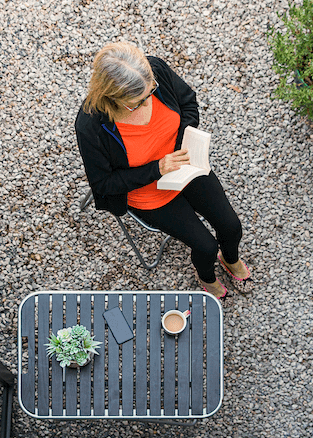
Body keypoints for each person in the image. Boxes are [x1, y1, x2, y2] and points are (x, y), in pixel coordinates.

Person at [75, 42, 251, 301]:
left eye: (151, 93)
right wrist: (157, 169)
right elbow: (104, 185)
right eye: (137, 102)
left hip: (184, 167)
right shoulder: (92, 126)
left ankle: (230, 258)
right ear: (112, 97)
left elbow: (188, 103)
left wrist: (184, 141)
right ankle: (206, 277)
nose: (148, 104)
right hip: (147, 193)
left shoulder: (154, 70)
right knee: (205, 245)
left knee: (232, 226)